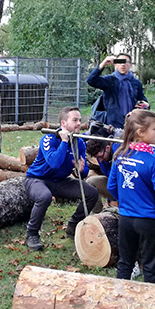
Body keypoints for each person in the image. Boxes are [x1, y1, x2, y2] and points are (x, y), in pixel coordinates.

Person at [24, 106, 99, 251]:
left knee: (92, 194)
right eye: (75, 120)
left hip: (59, 182)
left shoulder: (79, 143)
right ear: (63, 123)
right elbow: (54, 163)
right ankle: (32, 234)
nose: (79, 123)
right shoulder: (49, 138)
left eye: (80, 120)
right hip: (36, 179)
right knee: (44, 196)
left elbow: (83, 173)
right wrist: (64, 142)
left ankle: (73, 226)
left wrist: (80, 171)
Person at [107, 109, 155, 282]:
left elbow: (111, 186)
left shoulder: (120, 155)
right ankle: (151, 301)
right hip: (148, 219)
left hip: (125, 217)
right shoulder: (153, 161)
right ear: (141, 133)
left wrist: (125, 201)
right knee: (150, 263)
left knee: (125, 261)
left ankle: (120, 296)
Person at [86, 53, 148, 131]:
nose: (123, 65)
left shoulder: (136, 83)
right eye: (120, 62)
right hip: (113, 124)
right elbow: (91, 80)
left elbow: (142, 99)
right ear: (115, 65)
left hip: (132, 123)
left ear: (130, 65)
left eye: (126, 62)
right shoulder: (110, 80)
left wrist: (146, 104)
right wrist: (103, 64)